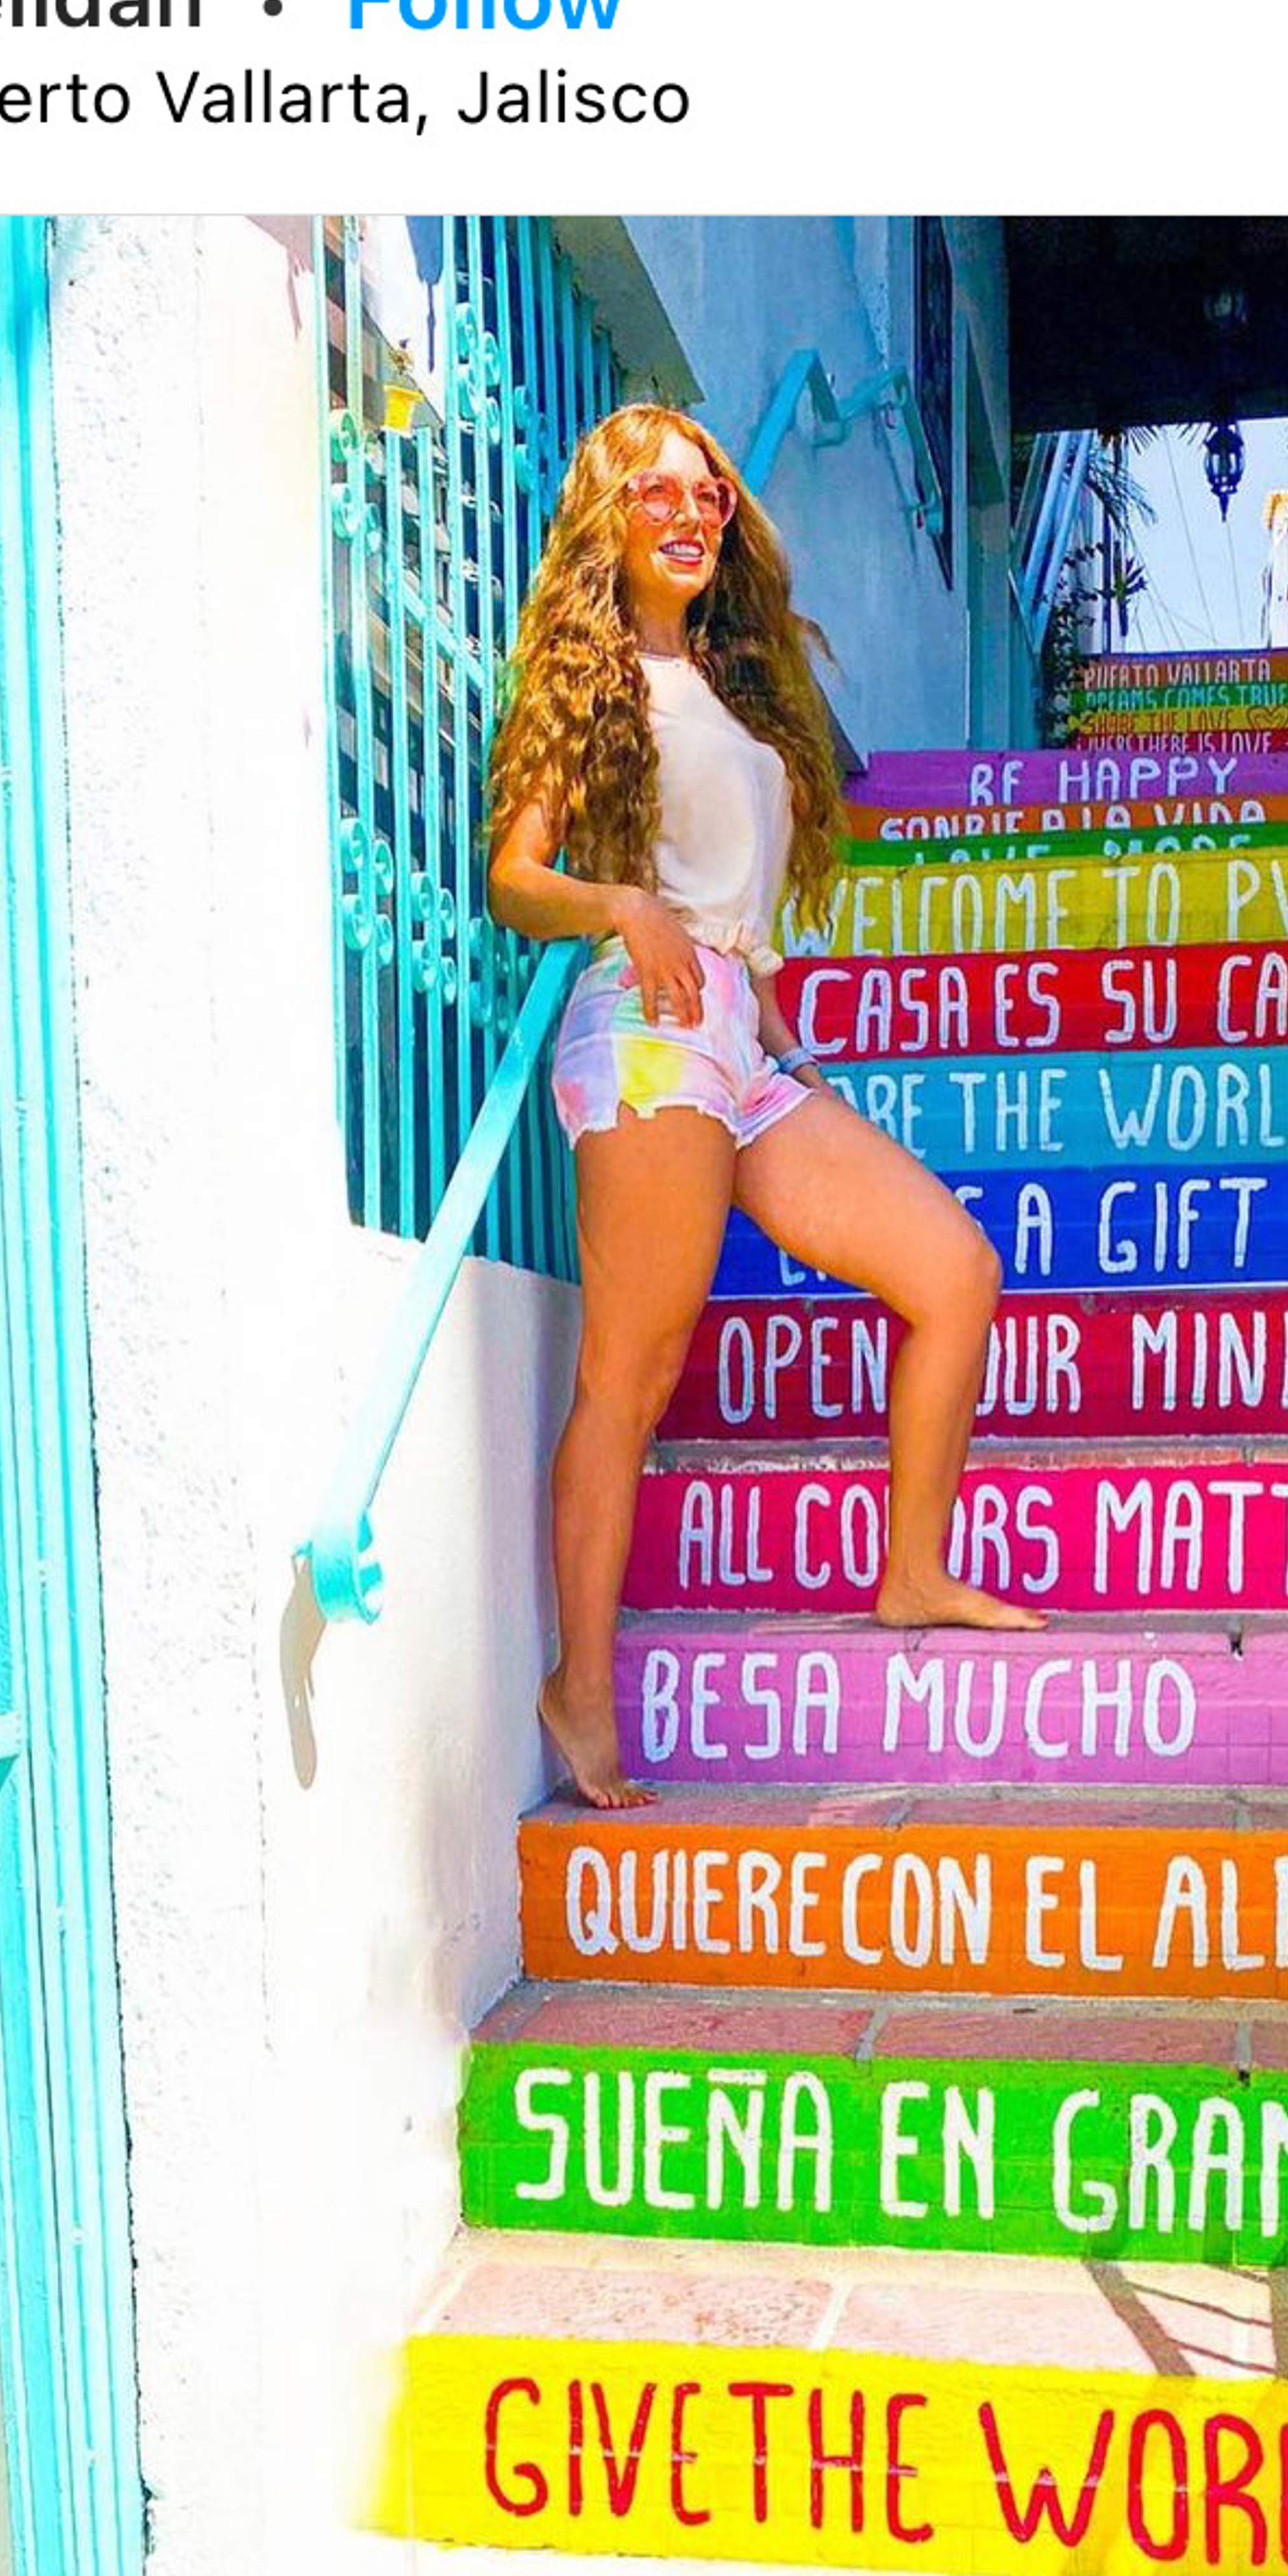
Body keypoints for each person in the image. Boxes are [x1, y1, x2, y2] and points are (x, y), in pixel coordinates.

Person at [487, 404, 1038, 1812]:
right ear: (608, 516)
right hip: (648, 1031)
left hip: (740, 1042)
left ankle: (912, 1569)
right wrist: (623, 903)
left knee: (955, 1268)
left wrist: (782, 1038)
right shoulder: (591, 677)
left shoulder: (726, 686)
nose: (689, 513)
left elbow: (736, 909)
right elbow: (517, 877)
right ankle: (581, 1694)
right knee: (634, 1373)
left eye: (710, 495)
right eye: (658, 492)